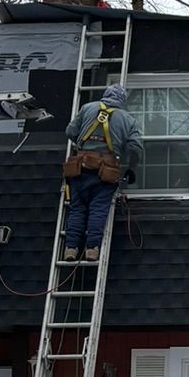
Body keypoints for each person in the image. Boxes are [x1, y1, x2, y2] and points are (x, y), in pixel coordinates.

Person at [62, 83, 144, 262]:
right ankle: (92, 249)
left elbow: (70, 132)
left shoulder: (87, 108)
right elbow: (135, 148)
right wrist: (131, 168)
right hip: (105, 172)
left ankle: (71, 248)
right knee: (98, 209)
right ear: (122, 100)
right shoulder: (128, 119)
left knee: (77, 209)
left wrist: (86, 144)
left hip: (79, 168)